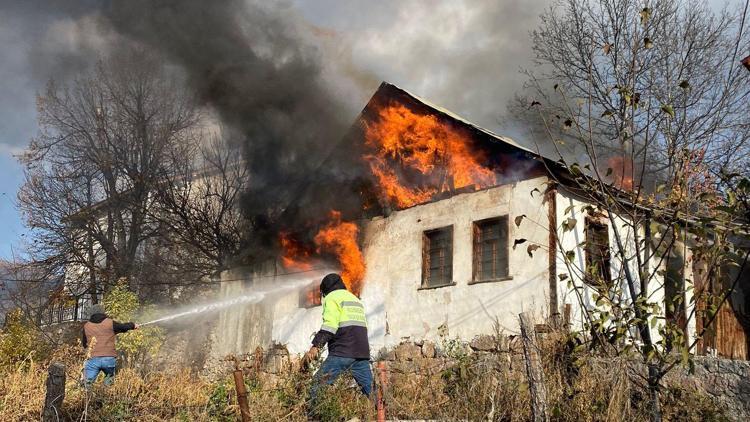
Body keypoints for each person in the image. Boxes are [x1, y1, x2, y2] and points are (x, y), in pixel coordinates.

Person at [303, 273, 372, 402]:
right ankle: (386, 415)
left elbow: (330, 326)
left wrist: (315, 347)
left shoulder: (332, 298)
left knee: (317, 386)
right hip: (361, 353)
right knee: (371, 392)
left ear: (325, 290)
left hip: (342, 352)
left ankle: (314, 417)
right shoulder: (355, 299)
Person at [81, 304, 138, 386]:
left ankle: (87, 397)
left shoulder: (86, 326)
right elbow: (123, 327)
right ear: (103, 312)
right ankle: (107, 395)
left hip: (93, 359)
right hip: (109, 359)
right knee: (109, 383)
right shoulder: (110, 323)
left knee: (87, 384)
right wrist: (133, 325)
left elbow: (84, 344)